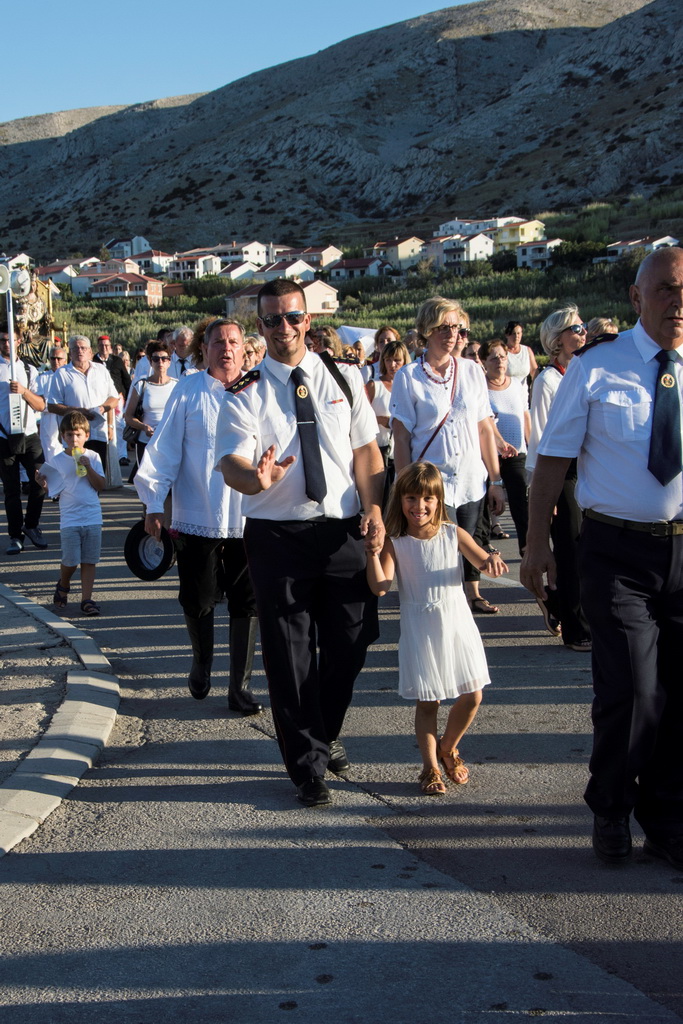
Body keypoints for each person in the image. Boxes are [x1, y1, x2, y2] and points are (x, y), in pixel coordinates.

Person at [520, 246, 683, 870]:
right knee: (634, 690)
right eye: (666, 289)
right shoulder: (597, 367)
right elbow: (553, 463)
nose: (677, 302)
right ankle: (611, 805)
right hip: (617, 552)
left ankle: (667, 815)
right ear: (638, 297)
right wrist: (535, 548)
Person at [215, 278, 385, 808]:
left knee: (353, 642)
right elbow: (232, 464)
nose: (283, 328)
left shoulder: (344, 377)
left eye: (292, 317)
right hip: (278, 536)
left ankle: (322, 730)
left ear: (307, 320)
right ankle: (308, 766)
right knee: (290, 658)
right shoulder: (246, 393)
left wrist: (375, 506)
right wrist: (256, 480)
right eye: (270, 320)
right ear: (258, 328)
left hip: (341, 530)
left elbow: (366, 454)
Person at [135, 318, 262, 716]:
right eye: (218, 342)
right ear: (203, 350)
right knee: (200, 597)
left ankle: (240, 687)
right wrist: (153, 502)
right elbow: (164, 448)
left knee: (247, 601)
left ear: (244, 349)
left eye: (233, 342)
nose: (226, 348)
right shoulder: (188, 390)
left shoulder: (260, 389)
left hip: (248, 514)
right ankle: (201, 662)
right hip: (196, 513)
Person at [366, 462, 508, 794]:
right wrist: (373, 553)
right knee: (428, 703)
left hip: (457, 622)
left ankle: (448, 747)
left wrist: (492, 560)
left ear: (438, 499)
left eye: (427, 498)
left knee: (473, 694)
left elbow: (481, 559)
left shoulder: (452, 533)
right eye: (411, 498)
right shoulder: (395, 541)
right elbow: (380, 586)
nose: (419, 506)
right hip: (421, 626)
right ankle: (430, 768)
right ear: (400, 500)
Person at [391, 297, 506, 614]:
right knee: (439, 553)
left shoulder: (471, 371)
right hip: (432, 484)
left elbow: (484, 427)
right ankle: (439, 609)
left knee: (471, 543)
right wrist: (406, 486)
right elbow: (401, 436)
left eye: (457, 327)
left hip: (470, 477)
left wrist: (496, 480)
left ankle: (471, 596)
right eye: (444, 327)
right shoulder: (409, 376)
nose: (452, 334)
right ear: (427, 330)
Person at [525, 306, 592, 651]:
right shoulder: (548, 380)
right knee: (569, 551)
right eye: (575, 328)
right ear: (557, 339)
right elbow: (539, 439)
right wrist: (542, 493)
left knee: (585, 548)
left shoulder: (580, 372)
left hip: (585, 472)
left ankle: (561, 605)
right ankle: (575, 627)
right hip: (560, 475)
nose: (582, 332)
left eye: (582, 327)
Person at [37, 411, 106, 616]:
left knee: (89, 560)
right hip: (70, 517)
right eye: (69, 435)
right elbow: (53, 491)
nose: (74, 439)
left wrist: (88, 466)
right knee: (71, 560)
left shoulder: (93, 456)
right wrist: (42, 484)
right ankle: (64, 583)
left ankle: (87, 599)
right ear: (62, 437)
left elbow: (100, 485)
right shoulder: (57, 461)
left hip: (92, 515)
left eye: (77, 435)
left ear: (86, 435)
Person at [0, 330, 48, 554]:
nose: (7, 344)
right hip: (4, 436)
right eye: (2, 340)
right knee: (11, 490)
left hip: (29, 434)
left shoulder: (29, 369)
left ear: (19, 342)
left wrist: (23, 391)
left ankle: (31, 525)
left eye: (10, 339)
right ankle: (15, 535)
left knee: (41, 481)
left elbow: (40, 405)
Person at [481, 339, 530, 554]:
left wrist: (532, 445)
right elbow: (485, 420)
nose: (499, 361)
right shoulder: (480, 386)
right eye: (493, 358)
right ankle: (483, 547)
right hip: (490, 454)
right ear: (484, 362)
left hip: (517, 454)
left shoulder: (518, 384)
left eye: (502, 356)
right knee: (484, 504)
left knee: (521, 506)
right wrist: (499, 443)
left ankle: (528, 550)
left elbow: (525, 415)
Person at [48, 335, 118, 472]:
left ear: (90, 352)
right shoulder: (62, 374)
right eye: (75, 349)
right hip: (74, 435)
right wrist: (77, 411)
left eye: (83, 348)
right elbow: (52, 405)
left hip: (98, 431)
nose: (80, 351)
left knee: (97, 474)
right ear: (70, 352)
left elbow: (114, 398)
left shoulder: (101, 370)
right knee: (77, 475)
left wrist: (103, 410)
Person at [366, 339, 410, 511]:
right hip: (379, 449)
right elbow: (360, 417)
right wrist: (380, 419)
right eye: (388, 360)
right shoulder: (374, 385)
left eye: (397, 360)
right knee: (381, 501)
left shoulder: (409, 386)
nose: (393, 365)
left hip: (402, 450)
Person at [123, 339, 177, 468]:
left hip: (169, 442)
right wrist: (144, 427)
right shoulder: (141, 385)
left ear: (169, 362)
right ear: (150, 361)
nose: (160, 362)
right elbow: (128, 416)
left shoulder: (177, 385)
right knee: (145, 484)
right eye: (156, 359)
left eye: (164, 359)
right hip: (145, 442)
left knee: (169, 485)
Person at [94, 334, 132, 466]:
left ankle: (121, 455)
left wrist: (128, 398)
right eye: (101, 345)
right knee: (101, 426)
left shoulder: (116, 361)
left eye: (106, 345)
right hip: (99, 399)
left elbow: (126, 380)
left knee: (120, 426)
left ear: (110, 347)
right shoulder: (93, 361)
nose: (104, 348)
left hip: (117, 398)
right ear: (97, 347)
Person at [34, 344, 68, 462]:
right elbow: (39, 399)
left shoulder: (68, 375)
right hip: (49, 417)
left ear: (65, 360)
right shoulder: (43, 377)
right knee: (50, 447)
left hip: (66, 414)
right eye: (53, 358)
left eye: (59, 359)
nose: (56, 361)